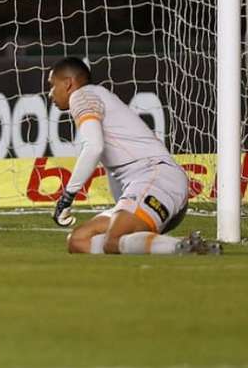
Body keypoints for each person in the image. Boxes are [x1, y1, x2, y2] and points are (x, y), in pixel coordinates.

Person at [47, 57, 220, 255]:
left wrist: (67, 197)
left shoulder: (81, 96)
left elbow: (94, 147)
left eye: (52, 85)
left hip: (157, 177)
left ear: (68, 83)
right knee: (78, 240)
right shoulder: (96, 96)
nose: (50, 93)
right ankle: (170, 244)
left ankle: (182, 247)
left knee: (113, 240)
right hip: (148, 185)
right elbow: (113, 165)